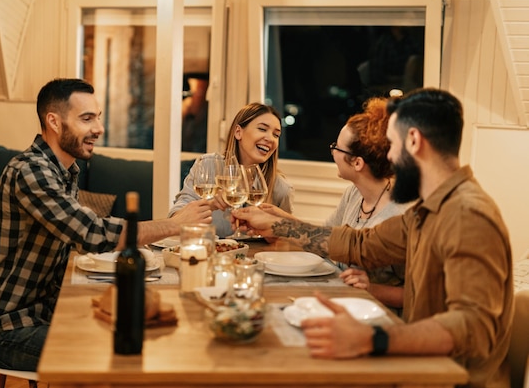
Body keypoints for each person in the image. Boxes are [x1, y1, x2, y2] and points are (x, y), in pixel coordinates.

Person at [231, 88, 513, 388]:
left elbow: (474, 328)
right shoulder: (428, 210)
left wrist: (371, 338)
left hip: (451, 378)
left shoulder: (467, 215)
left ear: (414, 141)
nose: (387, 156)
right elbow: (359, 244)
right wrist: (277, 226)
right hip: (422, 365)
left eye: (392, 144)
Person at [0, 78, 212, 371]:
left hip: (41, 313)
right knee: (119, 356)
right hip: (3, 328)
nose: (99, 128)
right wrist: (176, 225)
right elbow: (93, 233)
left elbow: (80, 239)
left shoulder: (65, 170)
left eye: (98, 117)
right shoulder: (30, 172)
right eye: (87, 118)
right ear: (54, 122)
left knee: (140, 330)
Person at [261, 97, 411, 311]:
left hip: (376, 319)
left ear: (357, 163)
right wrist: (280, 218)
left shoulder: (400, 214)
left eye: (337, 148)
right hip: (340, 304)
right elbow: (325, 239)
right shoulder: (354, 194)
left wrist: (372, 289)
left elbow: (417, 296)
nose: (332, 153)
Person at [168, 102, 294, 237]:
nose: (270, 138)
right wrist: (210, 205)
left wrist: (271, 231)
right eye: (262, 129)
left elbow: (283, 240)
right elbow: (176, 217)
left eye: (276, 135)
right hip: (208, 253)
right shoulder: (208, 166)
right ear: (238, 132)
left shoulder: (281, 188)